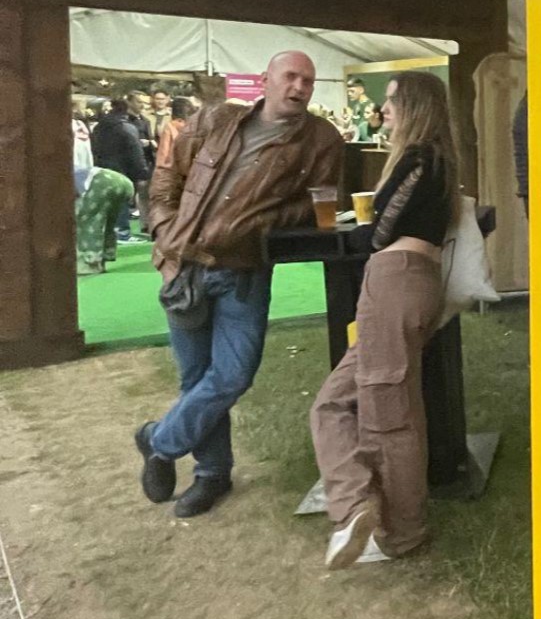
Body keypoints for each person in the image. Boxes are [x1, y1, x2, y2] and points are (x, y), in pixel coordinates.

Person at [134, 51, 343, 518]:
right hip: (184, 267)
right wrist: (165, 233)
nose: (299, 87)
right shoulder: (215, 119)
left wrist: (260, 221)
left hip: (244, 271)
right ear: (265, 80)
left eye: (308, 81)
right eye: (291, 77)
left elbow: (323, 202)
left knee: (232, 375)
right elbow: (167, 178)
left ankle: (158, 441)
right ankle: (212, 474)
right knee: (195, 378)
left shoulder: (321, 139)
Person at [310, 73, 457, 567]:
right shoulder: (437, 159)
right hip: (411, 281)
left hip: (396, 279)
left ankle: (396, 529)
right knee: (335, 402)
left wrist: (359, 231)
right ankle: (358, 506)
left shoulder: (419, 158)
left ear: (415, 105)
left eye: (392, 101)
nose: (383, 109)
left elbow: (381, 231)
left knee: (387, 413)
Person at [90, 98, 150, 241]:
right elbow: (135, 151)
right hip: (122, 168)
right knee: (121, 199)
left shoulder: (99, 126)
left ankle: (107, 232)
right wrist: (142, 172)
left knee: (107, 200)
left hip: (101, 166)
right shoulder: (127, 127)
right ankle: (122, 232)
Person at [76, 164, 136, 272]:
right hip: (121, 181)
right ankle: (105, 256)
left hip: (100, 183)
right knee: (107, 222)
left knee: (88, 221)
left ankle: (89, 263)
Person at [154, 95, 194, 169]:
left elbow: (164, 152)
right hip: (191, 167)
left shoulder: (170, 126)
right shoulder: (195, 126)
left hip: (173, 167)